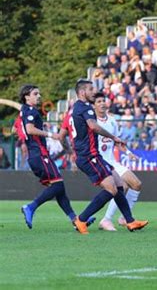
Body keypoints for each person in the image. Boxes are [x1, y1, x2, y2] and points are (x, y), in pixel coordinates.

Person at [68, 80, 148, 234]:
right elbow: (93, 126)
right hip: (89, 156)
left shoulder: (77, 108)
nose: (94, 91)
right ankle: (82, 219)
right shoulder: (85, 108)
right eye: (91, 89)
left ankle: (130, 221)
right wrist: (114, 137)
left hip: (92, 155)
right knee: (111, 189)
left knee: (118, 184)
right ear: (83, 92)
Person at [18, 85, 87, 230]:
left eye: (39, 93)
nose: (39, 96)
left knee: (59, 189)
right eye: (35, 94)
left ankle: (76, 220)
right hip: (39, 154)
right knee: (58, 185)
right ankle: (30, 207)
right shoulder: (30, 110)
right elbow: (30, 130)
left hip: (36, 155)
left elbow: (20, 129)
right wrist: (51, 135)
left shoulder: (24, 111)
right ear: (27, 97)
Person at [91, 92, 144, 232]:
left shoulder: (112, 121)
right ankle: (110, 220)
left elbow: (117, 141)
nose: (102, 103)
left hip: (112, 161)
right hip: (100, 162)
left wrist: (128, 153)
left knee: (135, 185)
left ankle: (122, 218)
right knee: (124, 187)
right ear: (93, 105)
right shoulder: (91, 122)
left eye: (104, 101)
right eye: (99, 101)